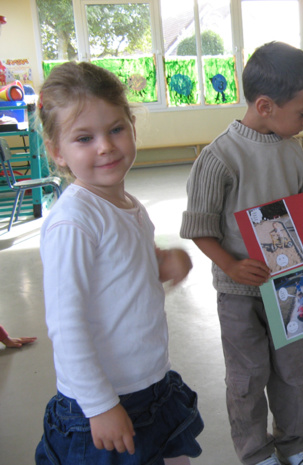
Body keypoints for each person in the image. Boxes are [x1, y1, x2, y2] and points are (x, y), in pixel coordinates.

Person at [35, 62, 204, 464]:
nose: (105, 146)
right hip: (102, 403)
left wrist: (165, 264)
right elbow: (66, 324)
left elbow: (125, 272)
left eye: (115, 129)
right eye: (83, 138)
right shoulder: (73, 222)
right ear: (57, 152)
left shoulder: (128, 205)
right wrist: (99, 405)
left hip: (150, 386)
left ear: (131, 126)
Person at [180, 41, 303, 465]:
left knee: (295, 372)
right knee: (247, 377)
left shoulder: (294, 151)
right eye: (302, 112)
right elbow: (199, 227)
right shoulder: (219, 158)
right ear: (265, 105)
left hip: (292, 286)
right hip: (239, 293)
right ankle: (255, 451)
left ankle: (297, 443)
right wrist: (231, 265)